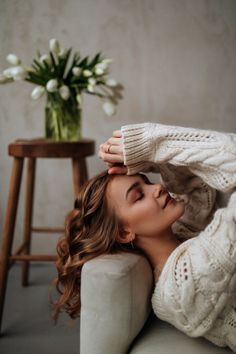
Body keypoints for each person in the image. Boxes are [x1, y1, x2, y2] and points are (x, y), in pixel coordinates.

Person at [54, 121, 236, 351]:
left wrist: (149, 158)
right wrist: (152, 141)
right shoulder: (178, 287)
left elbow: (193, 185)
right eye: (139, 196)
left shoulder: (184, 234)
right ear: (124, 232)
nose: (158, 188)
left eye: (147, 182)